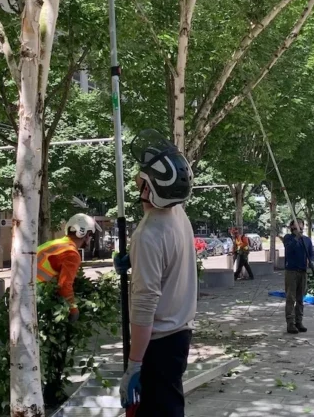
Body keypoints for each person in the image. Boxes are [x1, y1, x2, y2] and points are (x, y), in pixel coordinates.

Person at [114, 129, 196, 417]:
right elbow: (168, 263)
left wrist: (135, 363)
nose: (137, 179)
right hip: (179, 336)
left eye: (142, 177)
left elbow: (145, 303)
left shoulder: (149, 234)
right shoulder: (178, 215)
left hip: (157, 344)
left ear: (149, 187)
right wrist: (136, 261)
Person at [37, 213, 102, 322]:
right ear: (85, 234)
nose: (90, 239)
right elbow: (64, 285)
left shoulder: (54, 244)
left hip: (27, 293)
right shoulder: (71, 254)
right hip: (39, 300)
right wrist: (73, 309)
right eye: (91, 235)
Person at [281, 218, 314, 334]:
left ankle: (298, 321)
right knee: (291, 297)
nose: (298, 229)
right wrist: (296, 238)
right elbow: (289, 249)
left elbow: (311, 253)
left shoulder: (307, 240)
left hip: (303, 271)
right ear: (292, 228)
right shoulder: (288, 238)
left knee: (301, 298)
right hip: (291, 271)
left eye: (300, 227)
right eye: (295, 227)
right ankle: (290, 323)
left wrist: (312, 261)